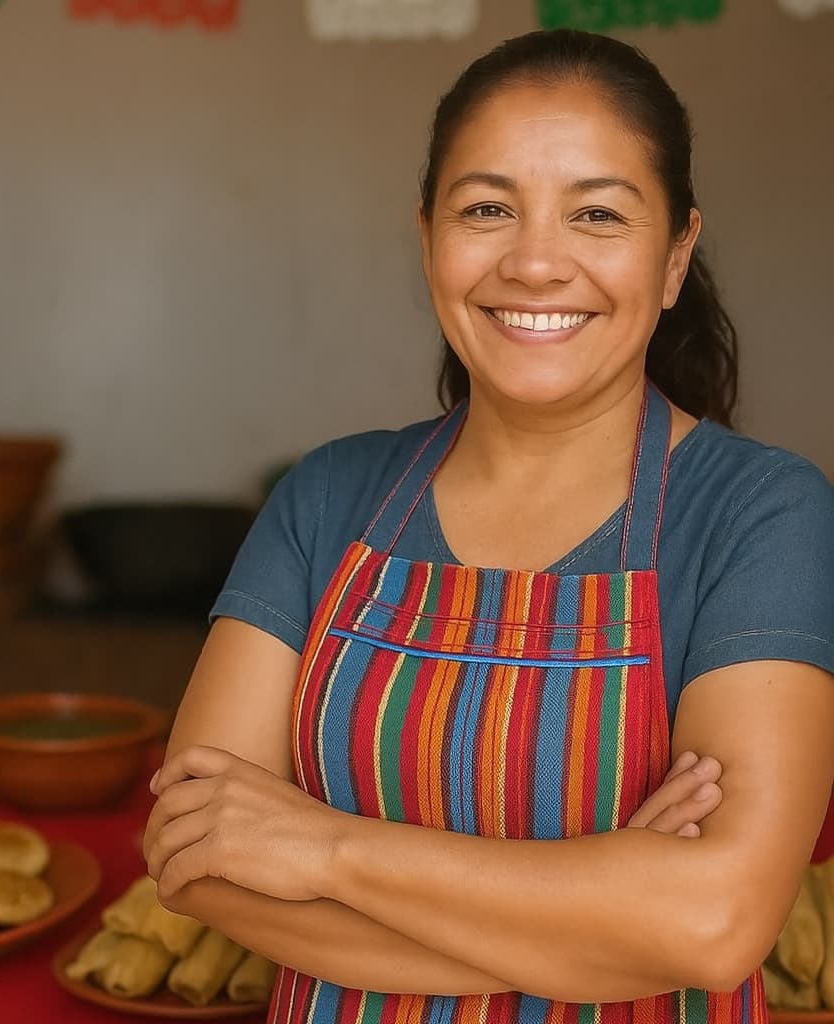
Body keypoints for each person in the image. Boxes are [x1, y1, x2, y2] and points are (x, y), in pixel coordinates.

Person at [143, 28, 834, 1024]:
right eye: (486, 208)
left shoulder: (760, 513)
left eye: (596, 213)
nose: (537, 261)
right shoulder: (327, 495)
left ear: (676, 251)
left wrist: (325, 847)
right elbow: (193, 861)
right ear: (428, 233)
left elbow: (717, 924)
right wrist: (600, 920)